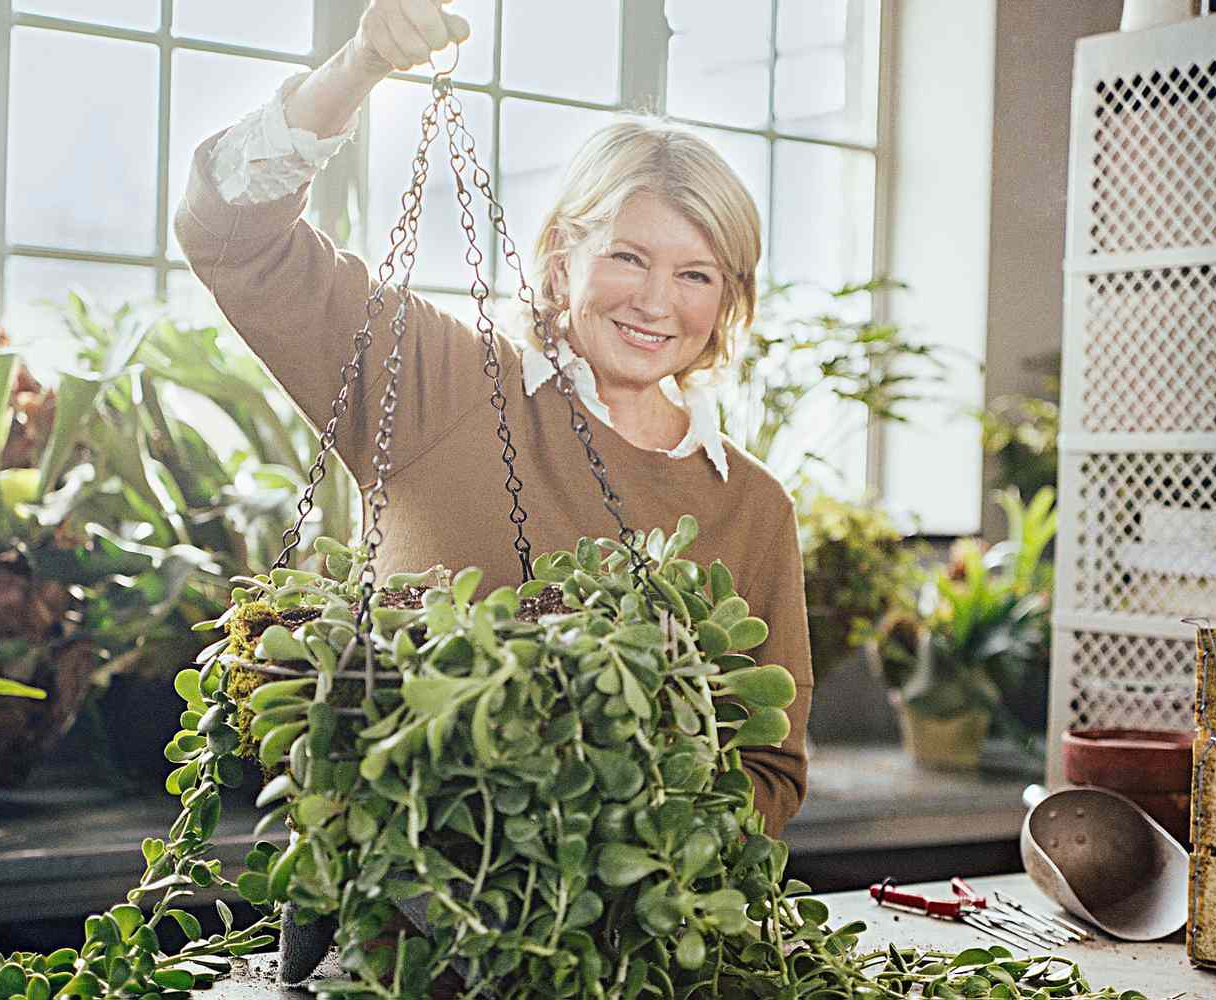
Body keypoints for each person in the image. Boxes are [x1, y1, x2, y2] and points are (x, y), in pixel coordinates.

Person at [174, 0, 812, 838]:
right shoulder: (440, 381)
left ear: (729, 298)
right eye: (627, 256)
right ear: (560, 262)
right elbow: (231, 234)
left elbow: (770, 770)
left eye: (696, 274)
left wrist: (610, 853)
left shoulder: (753, 506)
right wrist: (357, 67)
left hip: (610, 949)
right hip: (400, 926)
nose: (658, 302)